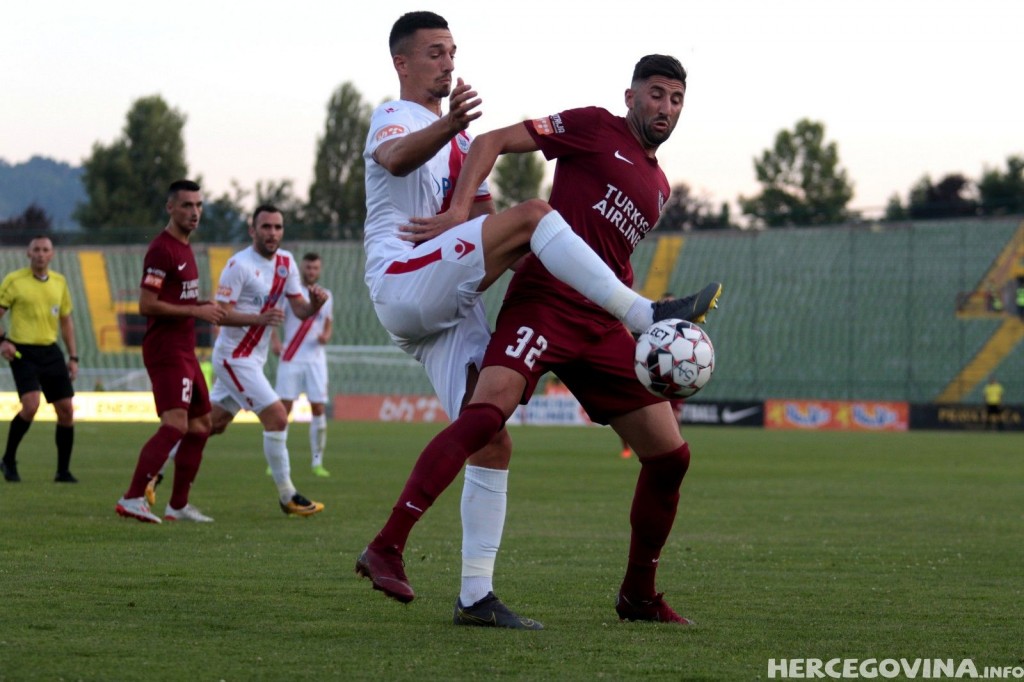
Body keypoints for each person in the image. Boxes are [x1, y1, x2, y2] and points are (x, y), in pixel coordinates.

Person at [355, 13, 719, 629]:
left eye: (453, 52)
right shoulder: (400, 115)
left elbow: (494, 224)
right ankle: (647, 312)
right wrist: (456, 153)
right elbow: (396, 161)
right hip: (428, 281)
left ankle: (475, 591)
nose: (448, 62)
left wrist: (476, 225)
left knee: (504, 435)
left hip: (513, 311)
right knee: (533, 214)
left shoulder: (657, 185)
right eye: (436, 53)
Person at [115, 179, 226, 523]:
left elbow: (181, 299)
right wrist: (195, 311)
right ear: (170, 208)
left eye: (198, 205)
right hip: (166, 349)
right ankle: (132, 497)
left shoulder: (185, 248)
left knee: (201, 423)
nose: (194, 212)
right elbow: (147, 304)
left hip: (185, 348)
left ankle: (178, 504)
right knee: (176, 424)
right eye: (186, 206)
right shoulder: (162, 249)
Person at [207, 204, 328, 517]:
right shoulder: (239, 265)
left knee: (210, 424)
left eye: (277, 227)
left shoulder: (287, 263)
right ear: (252, 230)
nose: (272, 233)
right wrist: (258, 318)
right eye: (266, 227)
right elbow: (219, 314)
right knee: (277, 416)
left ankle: (155, 472)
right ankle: (288, 496)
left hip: (253, 359)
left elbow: (299, 309)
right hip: (233, 358)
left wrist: (314, 306)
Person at [0, 236, 79, 483]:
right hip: (23, 351)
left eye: (45, 250)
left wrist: (73, 356)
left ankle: (62, 471)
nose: (41, 254)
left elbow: (66, 321)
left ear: (52, 255)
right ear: (28, 253)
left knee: (66, 411)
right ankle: (9, 459)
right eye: (36, 249)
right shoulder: (14, 281)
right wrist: (3, 341)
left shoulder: (59, 282)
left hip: (50, 350)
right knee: (31, 405)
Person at [271, 252, 334, 478]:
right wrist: (275, 341)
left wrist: (326, 336)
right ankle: (276, 459)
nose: (311, 272)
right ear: (302, 268)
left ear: (320, 270)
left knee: (318, 408)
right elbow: (274, 319)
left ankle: (317, 461)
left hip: (316, 359)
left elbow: (327, 324)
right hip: (291, 356)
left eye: (315, 268)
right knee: (282, 410)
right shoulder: (290, 294)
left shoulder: (326, 295)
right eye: (308, 268)